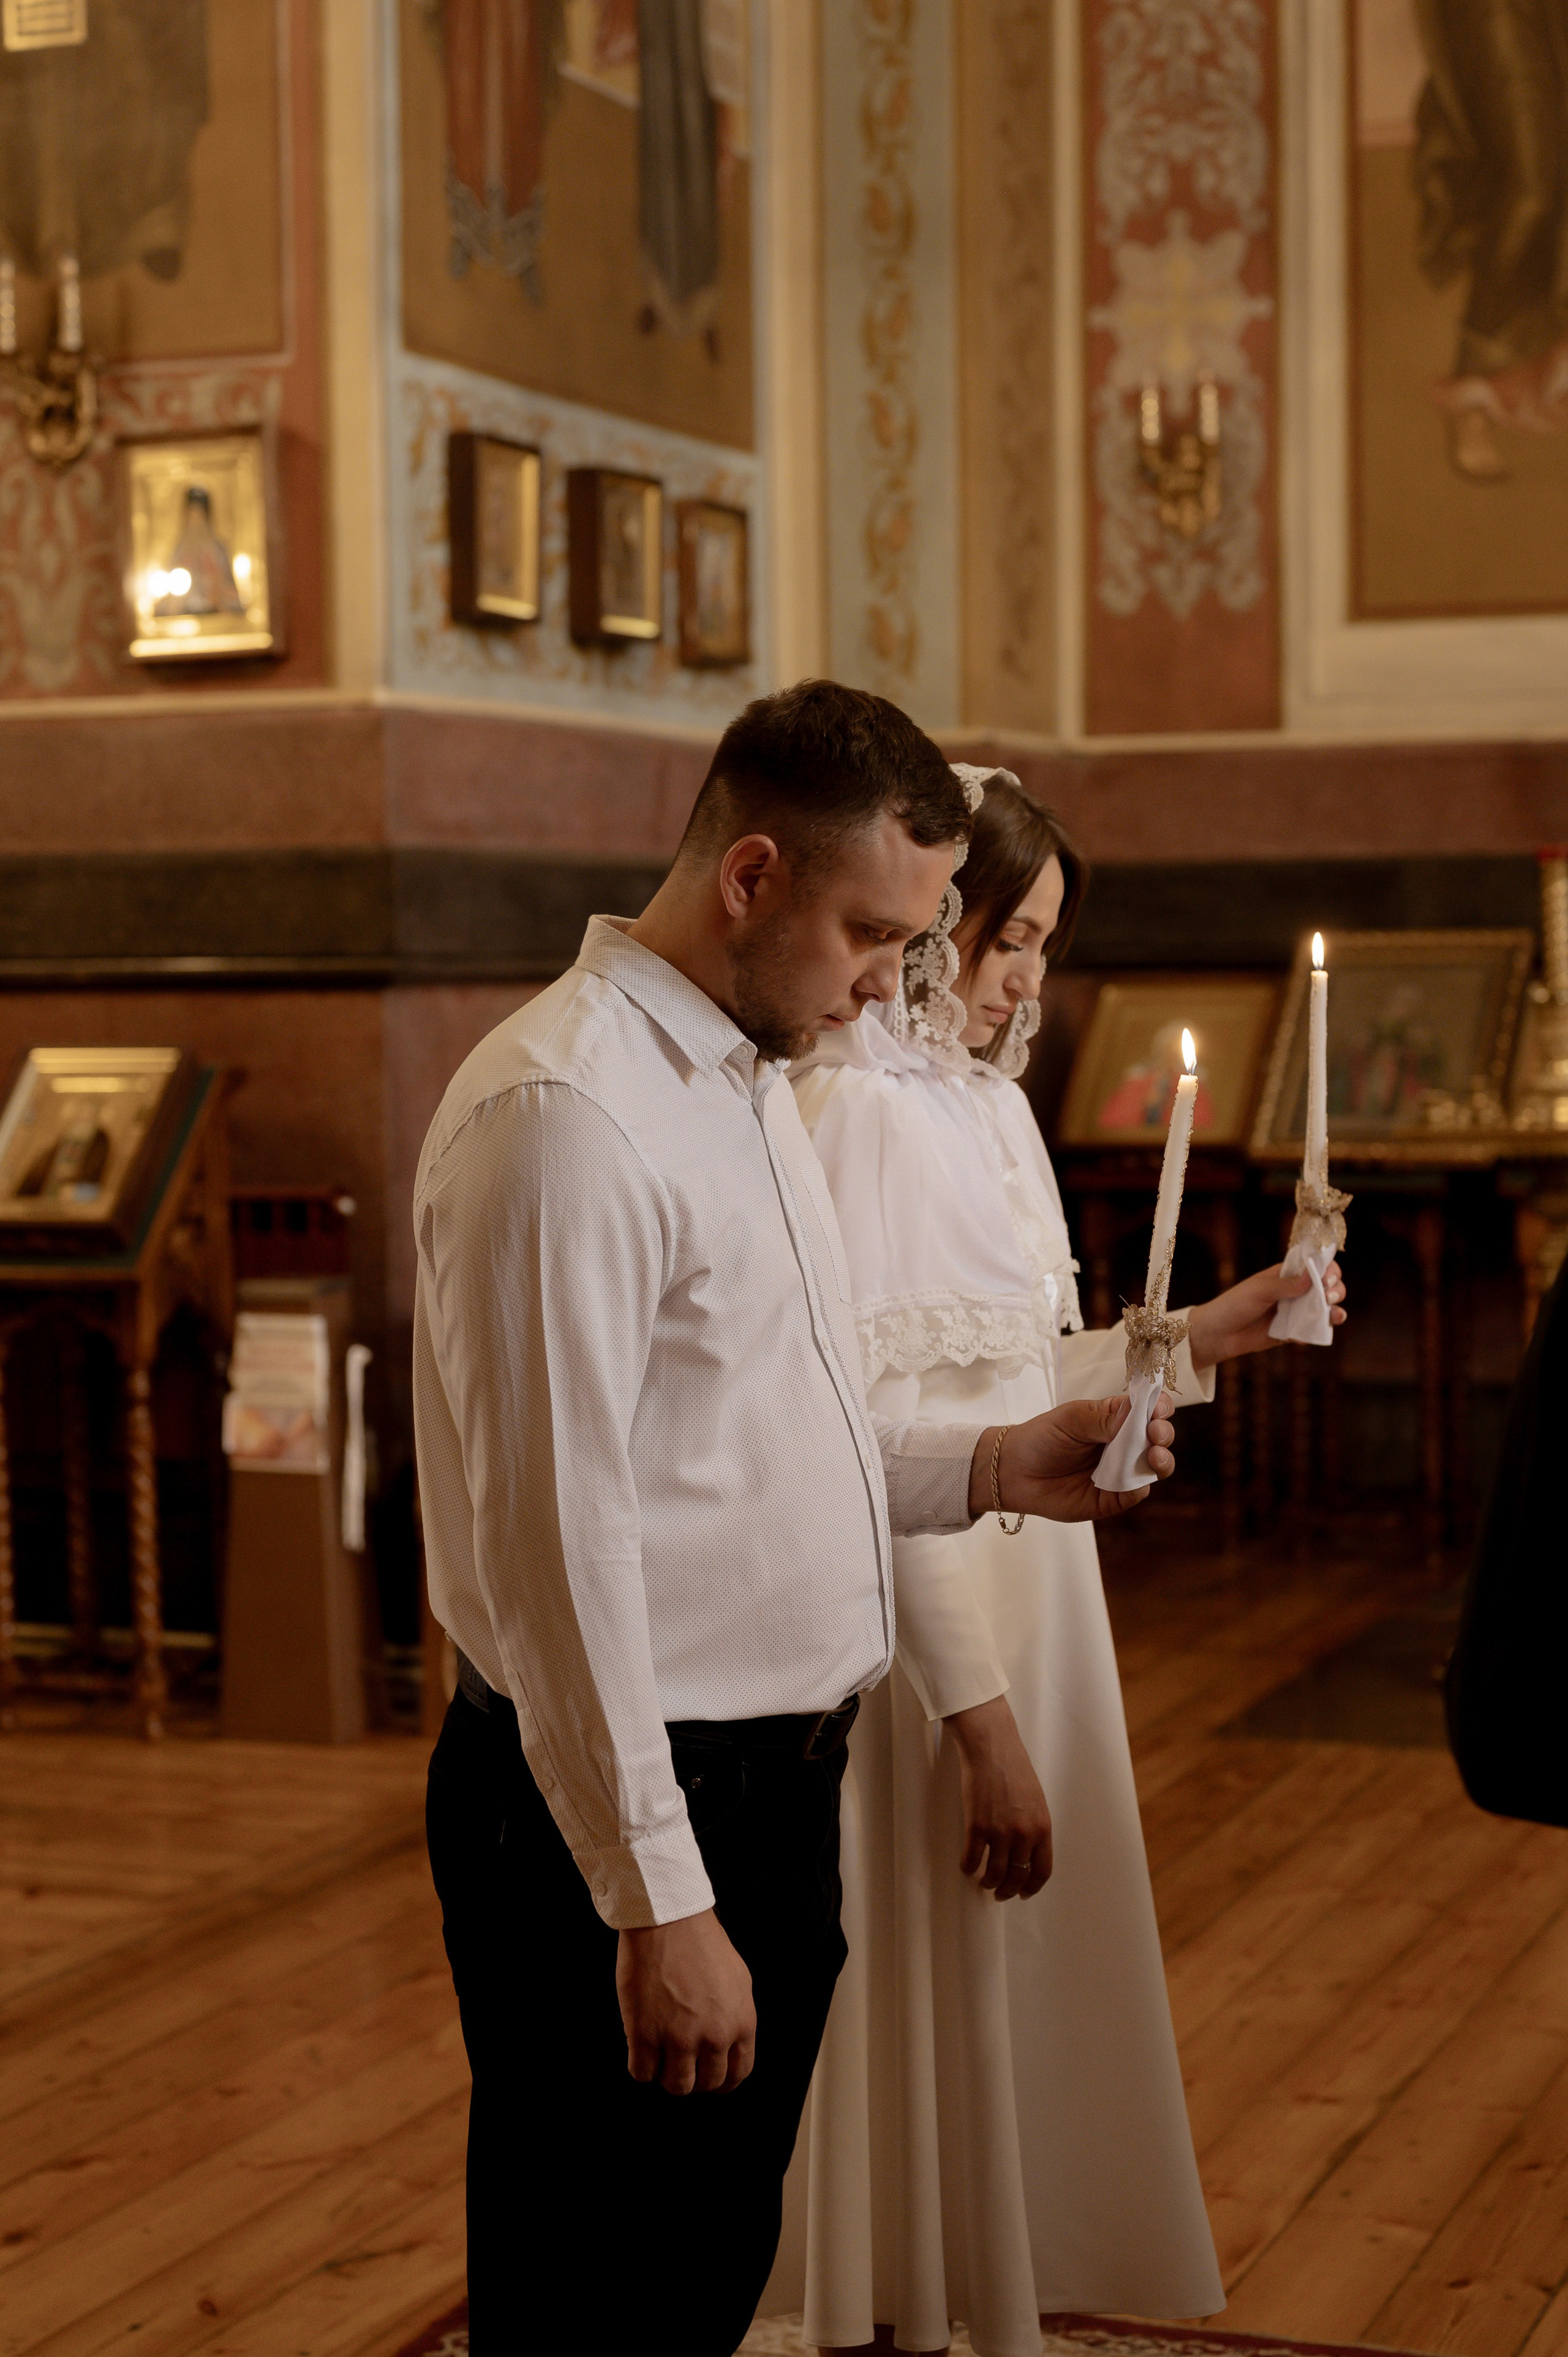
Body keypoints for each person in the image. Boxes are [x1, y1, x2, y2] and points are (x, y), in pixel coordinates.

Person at [413, 688, 1180, 2357]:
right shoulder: (570, 1116)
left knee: (696, 2274)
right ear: (751, 874)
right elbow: (560, 1554)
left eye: (916, 945)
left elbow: (761, 1448)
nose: (891, 989)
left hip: (773, 1781)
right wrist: (657, 1902)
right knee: (594, 2292)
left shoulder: (751, 1068)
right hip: (631, 1801)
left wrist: (988, 1464)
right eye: (873, 936)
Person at [786, 767, 1347, 2357]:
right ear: (926, 933)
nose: (1032, 976)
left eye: (1043, 941)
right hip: (930, 1617)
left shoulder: (987, 1110)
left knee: (1011, 1967)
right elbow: (880, 1444)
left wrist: (1223, 1322)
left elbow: (1030, 1382)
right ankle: (888, 2296)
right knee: (924, 1928)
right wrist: (982, 1722)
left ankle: (979, 2278)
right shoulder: (851, 1114)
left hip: (1043, 1586)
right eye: (1011, 938)